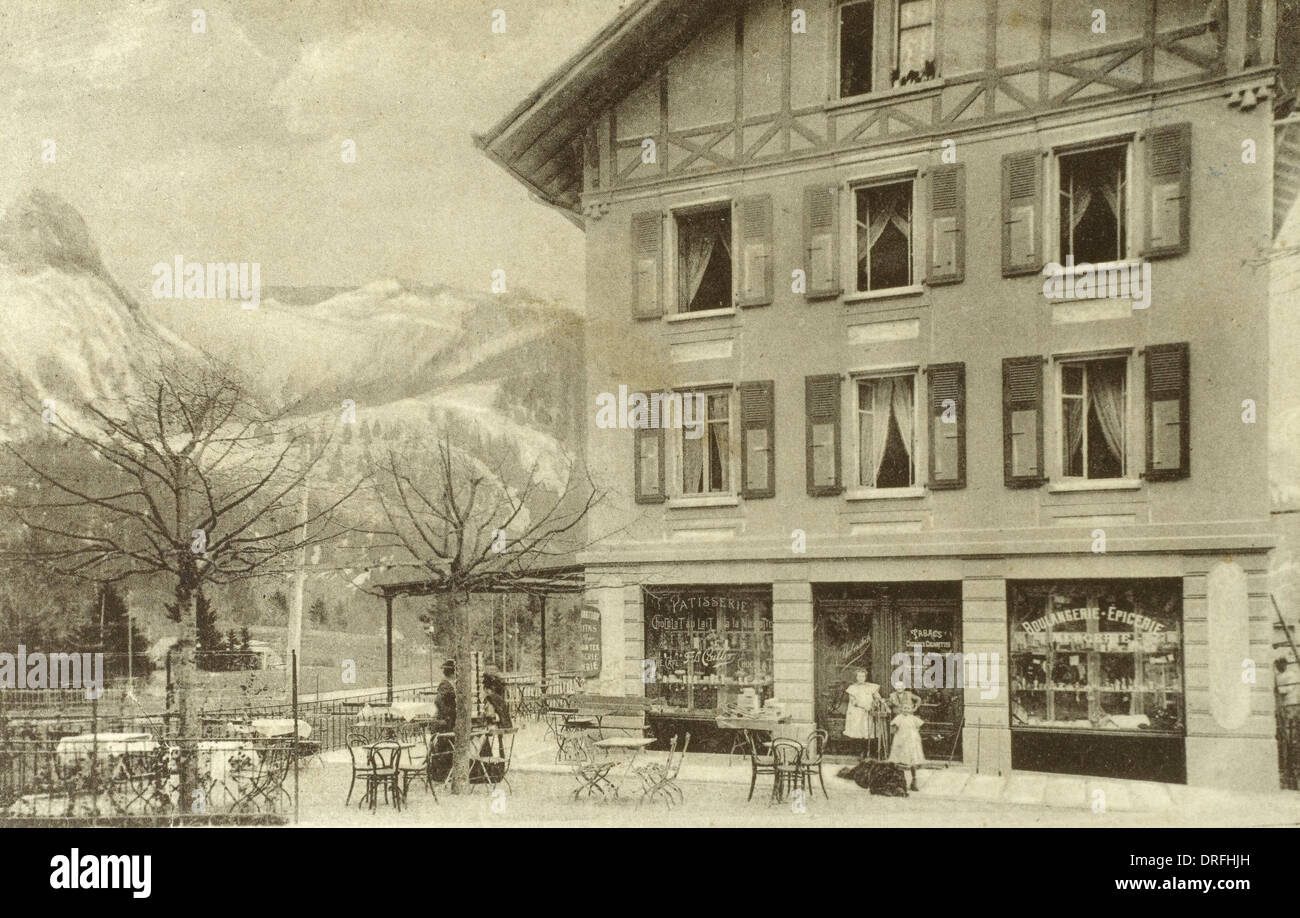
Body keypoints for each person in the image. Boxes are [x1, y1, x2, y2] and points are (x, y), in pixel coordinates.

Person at [843, 668, 884, 760]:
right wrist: (864, 706)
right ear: (856, 677)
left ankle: (869, 752)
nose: (861, 678)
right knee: (859, 731)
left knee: (868, 731)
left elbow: (877, 697)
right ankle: (861, 753)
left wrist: (875, 702)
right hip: (857, 713)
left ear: (865, 677)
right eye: (859, 676)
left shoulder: (870, 687)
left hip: (869, 712)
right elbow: (853, 702)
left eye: (863, 676)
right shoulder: (852, 688)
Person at [429, 660, 456, 783]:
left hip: (445, 721)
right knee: (443, 748)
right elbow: (438, 701)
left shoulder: (449, 683)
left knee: (445, 748)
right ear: (453, 672)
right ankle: (439, 776)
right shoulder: (445, 685)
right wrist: (447, 716)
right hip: (443, 722)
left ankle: (443, 775)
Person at [889, 706, 926, 791]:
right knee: (898, 761)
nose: (906, 710)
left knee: (912, 761)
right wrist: (895, 730)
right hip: (901, 741)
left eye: (908, 708)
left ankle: (914, 781)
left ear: (911, 709)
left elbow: (919, 725)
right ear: (901, 709)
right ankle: (898, 781)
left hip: (911, 741)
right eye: (904, 708)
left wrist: (914, 733)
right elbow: (893, 728)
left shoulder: (913, 718)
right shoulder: (899, 717)